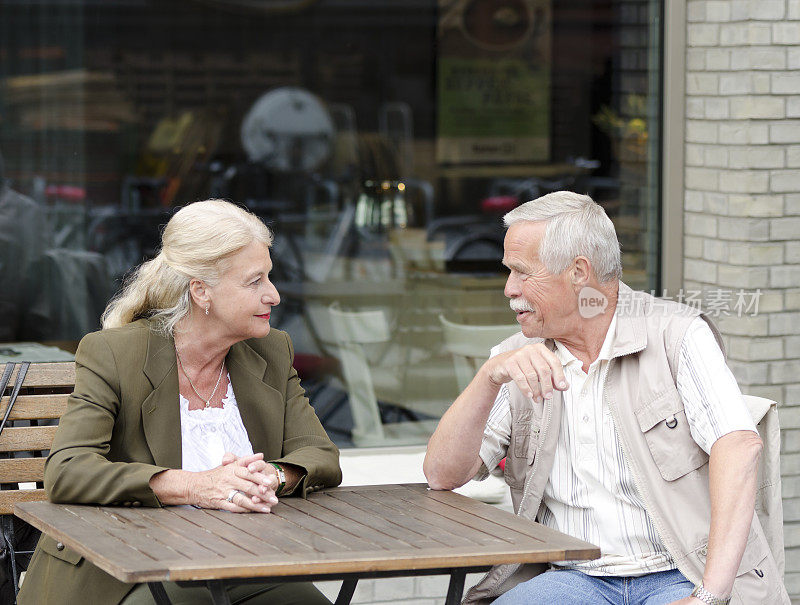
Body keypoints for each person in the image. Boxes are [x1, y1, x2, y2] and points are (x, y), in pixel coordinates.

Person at [424, 191, 788, 605]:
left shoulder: (677, 334)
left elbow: (739, 446)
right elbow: (441, 475)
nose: (509, 289)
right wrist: (488, 377)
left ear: (579, 272)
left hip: (683, 573)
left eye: (523, 273)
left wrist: (708, 596)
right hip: (576, 580)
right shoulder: (516, 360)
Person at [18, 199, 342, 605]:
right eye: (254, 281)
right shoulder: (115, 354)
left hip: (244, 562)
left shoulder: (271, 351)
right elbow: (67, 472)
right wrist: (195, 486)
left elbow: (322, 455)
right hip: (131, 569)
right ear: (201, 291)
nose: (274, 296)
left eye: (270, 278)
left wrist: (273, 475)